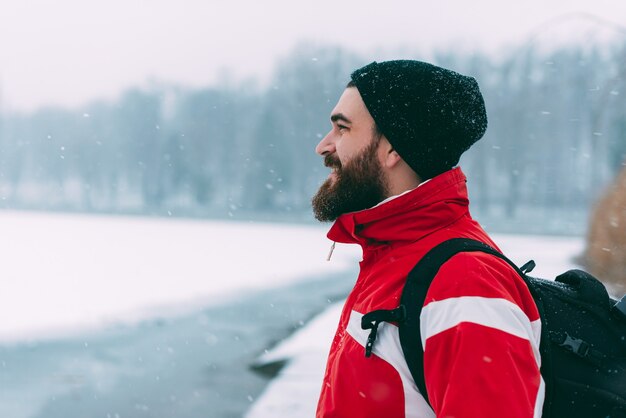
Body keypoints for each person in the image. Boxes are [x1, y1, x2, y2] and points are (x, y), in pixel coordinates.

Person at [311, 60, 543, 418]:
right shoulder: (392, 257)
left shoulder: (465, 286)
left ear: (393, 149)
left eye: (342, 128)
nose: (324, 146)